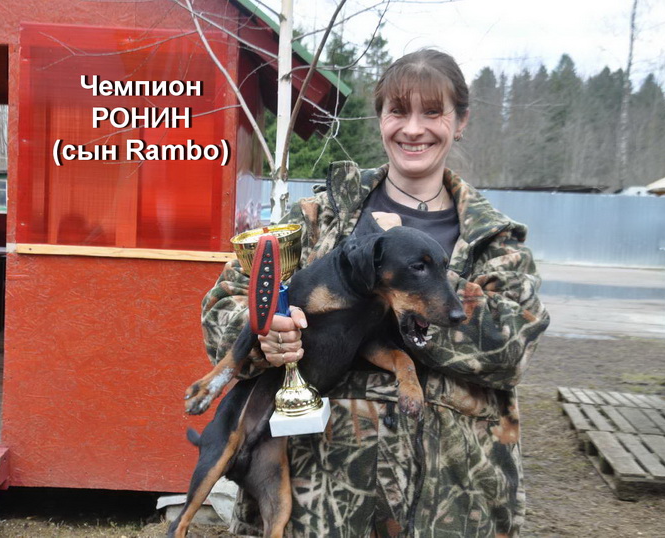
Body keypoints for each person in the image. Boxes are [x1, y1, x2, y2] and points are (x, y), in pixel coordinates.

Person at [201, 49, 550, 537]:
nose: (413, 129)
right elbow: (226, 303)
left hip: (450, 504)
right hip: (316, 501)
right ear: (381, 118)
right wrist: (267, 332)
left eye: (433, 112)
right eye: (398, 111)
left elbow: (511, 348)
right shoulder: (319, 215)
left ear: (461, 121)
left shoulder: (494, 239)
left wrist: (408, 287)